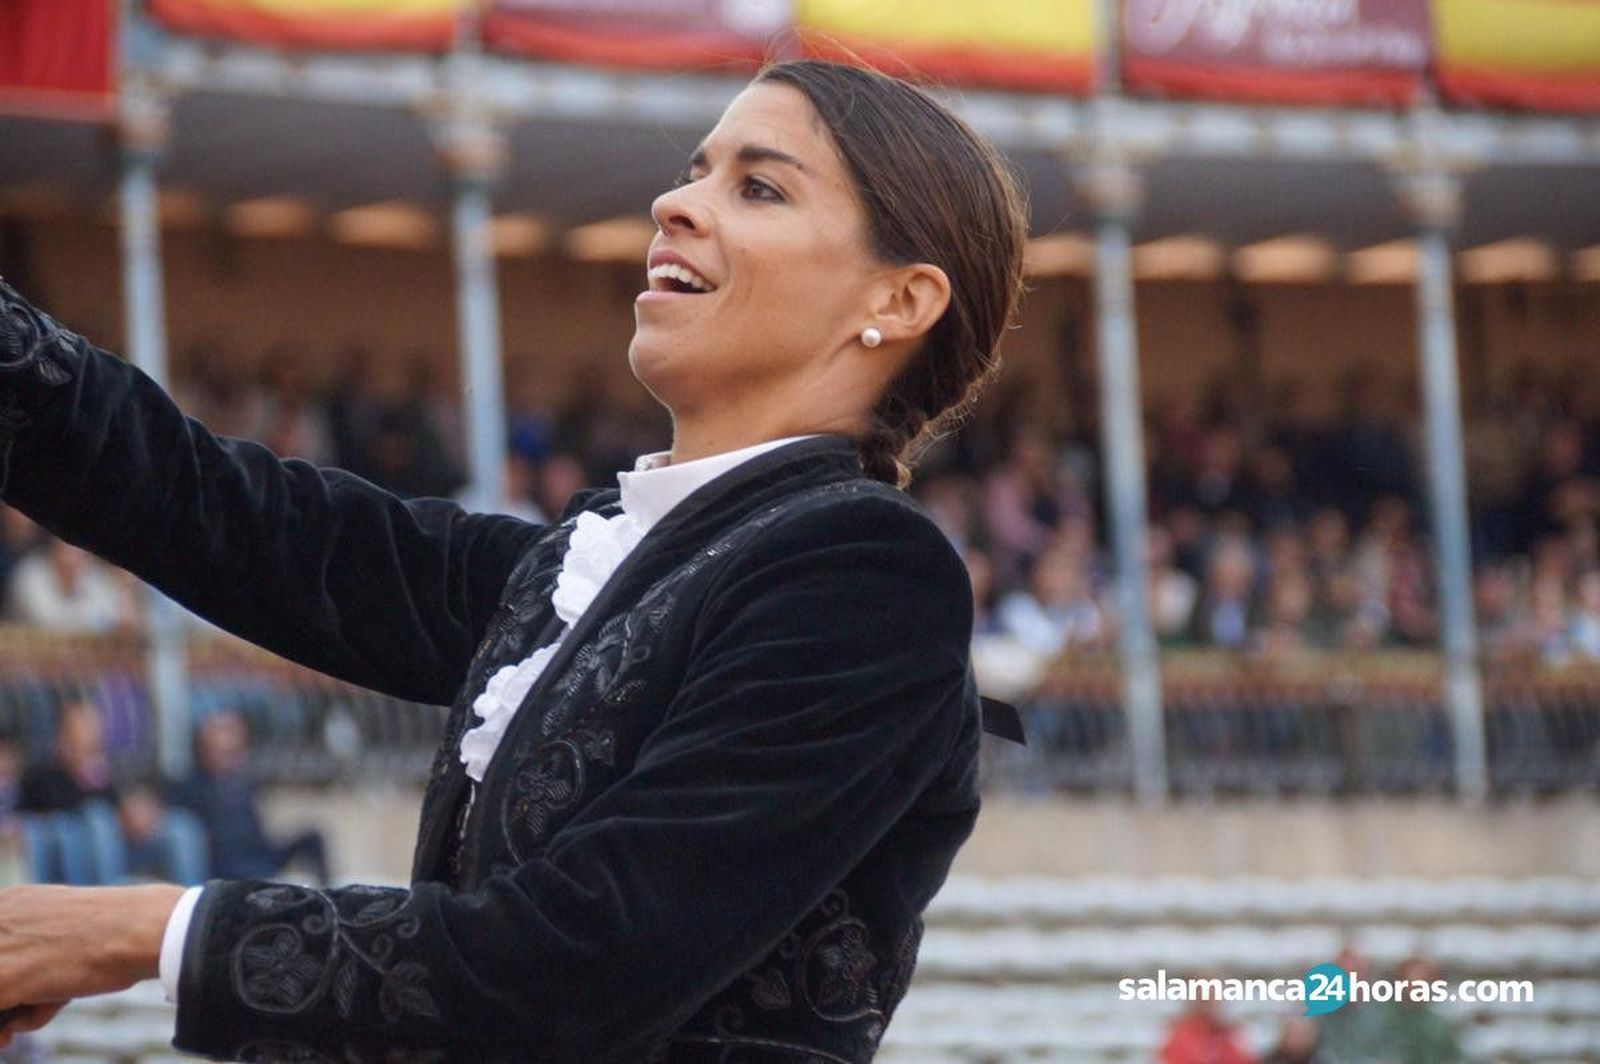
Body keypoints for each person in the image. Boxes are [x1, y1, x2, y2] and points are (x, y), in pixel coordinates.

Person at [0, 57, 1027, 1062]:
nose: (675, 201)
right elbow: (219, 511)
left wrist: (137, 928)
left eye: (757, 186)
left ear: (899, 301)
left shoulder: (867, 574)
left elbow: (579, 959)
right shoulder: (584, 561)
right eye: (696, 167)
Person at [168, 710, 329, 883]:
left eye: (232, 750)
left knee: (314, 837)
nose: (228, 756)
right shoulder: (191, 784)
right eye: (221, 750)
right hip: (226, 863)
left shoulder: (243, 782)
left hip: (261, 855)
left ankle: (328, 898)